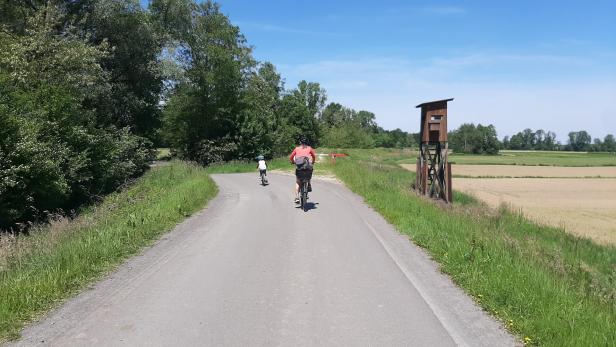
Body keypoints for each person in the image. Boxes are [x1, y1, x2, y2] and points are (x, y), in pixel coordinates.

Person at [288, 136, 316, 204]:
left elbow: (291, 157)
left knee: (298, 182)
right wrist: (313, 161)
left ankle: (297, 197)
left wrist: (293, 161)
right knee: (309, 174)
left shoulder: (297, 148)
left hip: (299, 168)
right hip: (308, 166)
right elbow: (314, 156)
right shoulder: (309, 148)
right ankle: (308, 184)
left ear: (300, 142)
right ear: (307, 142)